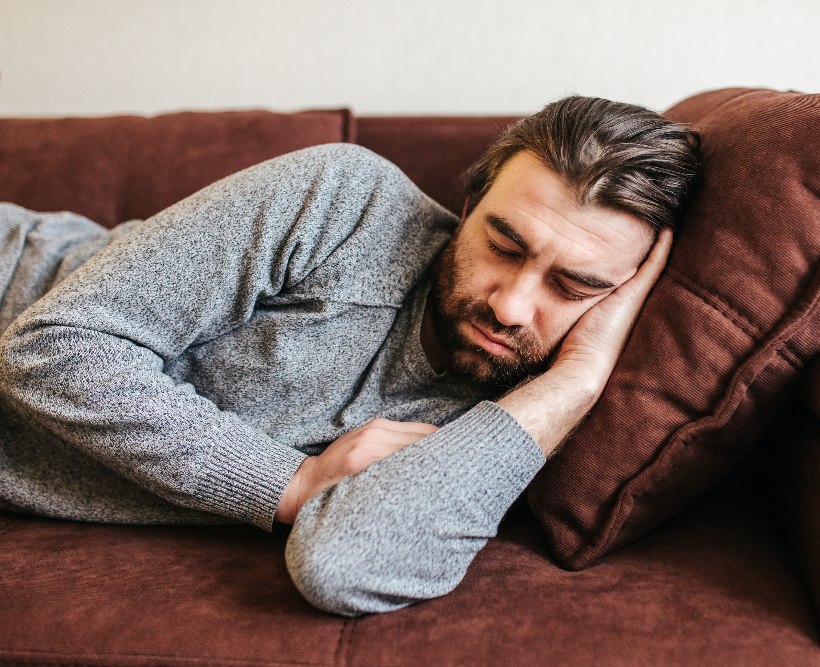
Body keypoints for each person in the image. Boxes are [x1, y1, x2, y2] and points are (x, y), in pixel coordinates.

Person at [0, 96, 701, 615]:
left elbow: (341, 565)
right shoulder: (344, 201)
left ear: (621, 303)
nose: (512, 306)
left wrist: (574, 383)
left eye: (574, 286)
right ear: (469, 202)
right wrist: (295, 481)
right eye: (503, 245)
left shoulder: (505, 430)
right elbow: (53, 345)